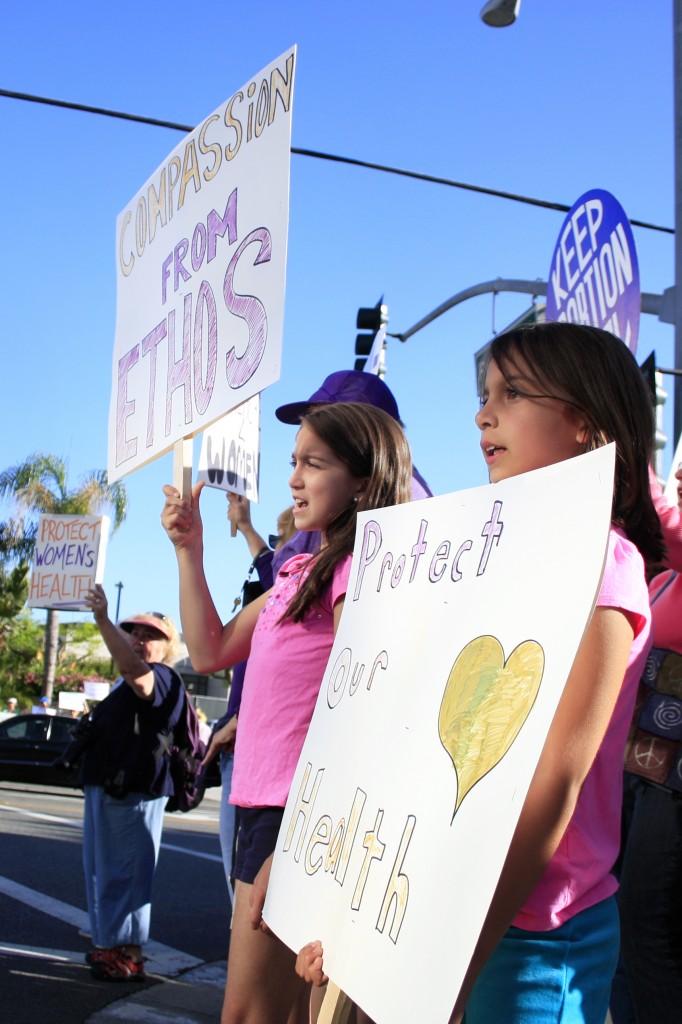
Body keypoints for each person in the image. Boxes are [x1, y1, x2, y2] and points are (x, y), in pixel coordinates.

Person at [296, 322, 664, 1024]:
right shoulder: (484, 559)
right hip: (435, 910)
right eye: (484, 394)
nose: (482, 413)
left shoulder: (603, 565)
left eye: (513, 393)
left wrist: (454, 960)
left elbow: (551, 787)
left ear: (585, 422)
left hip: (527, 937)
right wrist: (343, 911)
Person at [161, 401, 413, 1024]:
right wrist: (189, 550)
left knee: (248, 1013)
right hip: (260, 809)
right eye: (293, 462)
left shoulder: (360, 572)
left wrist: (300, 841)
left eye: (314, 464)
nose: (294, 478)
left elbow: (371, 711)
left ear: (363, 479)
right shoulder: (296, 569)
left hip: (295, 815)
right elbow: (211, 649)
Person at [80, 587, 185, 982]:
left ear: (168, 645)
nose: (140, 640)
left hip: (132, 793)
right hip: (110, 788)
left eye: (150, 635)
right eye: (134, 633)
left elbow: (135, 677)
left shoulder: (159, 678)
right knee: (105, 871)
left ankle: (128, 951)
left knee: (125, 871)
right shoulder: (132, 681)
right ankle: (113, 946)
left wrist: (104, 621)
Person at [609, 461, 682, 1024]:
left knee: (648, 928)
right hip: (636, 771)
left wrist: (630, 453)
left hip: (673, 786)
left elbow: (664, 522)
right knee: (626, 932)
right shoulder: (661, 580)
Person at [205, 496, 296, 898]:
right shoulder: (278, 585)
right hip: (246, 755)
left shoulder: (299, 586)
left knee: (249, 891)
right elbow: (210, 650)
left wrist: (239, 718)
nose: (280, 551)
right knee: (238, 881)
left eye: (288, 540)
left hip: (268, 764)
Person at [272, 369, 432, 572]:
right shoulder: (330, 511)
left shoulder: (404, 506)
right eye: (310, 420)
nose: (307, 430)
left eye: (327, 420)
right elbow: (284, 583)